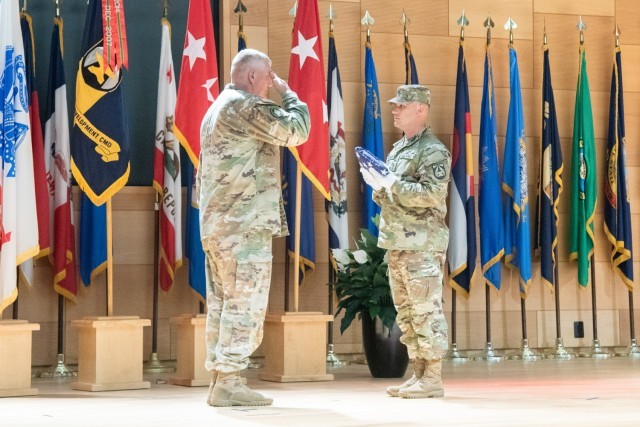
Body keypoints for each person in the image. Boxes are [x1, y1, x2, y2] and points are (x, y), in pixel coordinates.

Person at [198, 48, 310, 407]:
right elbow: (298, 130)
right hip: (242, 226)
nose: (270, 81)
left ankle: (221, 378)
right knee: (245, 304)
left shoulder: (217, 107)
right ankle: (229, 380)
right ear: (251, 77)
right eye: (268, 75)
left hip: (220, 225)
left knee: (224, 304)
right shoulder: (245, 105)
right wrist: (289, 93)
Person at [360, 85, 451, 399]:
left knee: (426, 311)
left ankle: (433, 377)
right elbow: (391, 194)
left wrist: (391, 183)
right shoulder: (399, 149)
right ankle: (419, 374)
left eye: (402, 105)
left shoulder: (433, 150)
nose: (395, 110)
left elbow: (432, 194)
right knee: (408, 314)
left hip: (422, 245)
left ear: (421, 109)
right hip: (399, 243)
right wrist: (379, 184)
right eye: (394, 105)